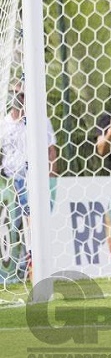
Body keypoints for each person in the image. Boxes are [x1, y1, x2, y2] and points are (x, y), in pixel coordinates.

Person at [0, 83, 57, 280]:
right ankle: (15, 270)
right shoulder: (4, 122)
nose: (18, 97)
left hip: (32, 180)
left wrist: (51, 178)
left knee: (33, 225)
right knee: (11, 226)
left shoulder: (39, 120)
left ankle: (34, 267)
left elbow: (51, 149)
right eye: (14, 93)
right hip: (9, 180)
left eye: (22, 94)